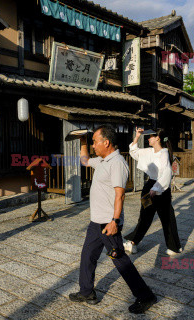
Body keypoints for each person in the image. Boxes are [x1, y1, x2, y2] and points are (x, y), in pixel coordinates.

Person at [69, 125, 157, 314]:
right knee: (87, 256)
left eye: (94, 141)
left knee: (119, 260)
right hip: (96, 222)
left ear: (106, 142)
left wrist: (115, 222)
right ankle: (86, 292)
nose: (93, 145)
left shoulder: (117, 163)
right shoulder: (102, 161)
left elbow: (120, 195)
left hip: (108, 223)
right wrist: (83, 142)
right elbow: (84, 161)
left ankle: (145, 295)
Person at [123, 128, 183, 256]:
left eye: (150, 136)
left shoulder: (164, 153)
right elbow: (134, 152)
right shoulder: (149, 151)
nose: (148, 138)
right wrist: (137, 137)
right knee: (145, 217)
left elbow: (167, 173)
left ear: (157, 138)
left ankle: (173, 246)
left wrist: (156, 189)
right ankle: (132, 242)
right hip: (150, 185)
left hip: (161, 187)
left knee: (167, 217)